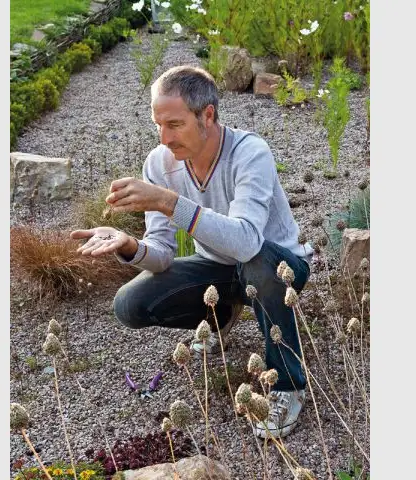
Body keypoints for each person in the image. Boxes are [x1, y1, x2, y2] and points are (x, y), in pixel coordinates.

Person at [70, 65, 313, 439]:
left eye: (174, 124)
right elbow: (163, 254)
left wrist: (170, 202)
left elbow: (248, 242)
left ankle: (287, 385)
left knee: (259, 265)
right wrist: (131, 245)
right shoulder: (159, 163)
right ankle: (222, 317)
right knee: (130, 304)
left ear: (208, 115)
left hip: (279, 267)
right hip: (218, 268)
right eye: (157, 125)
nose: (164, 138)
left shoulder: (249, 153)